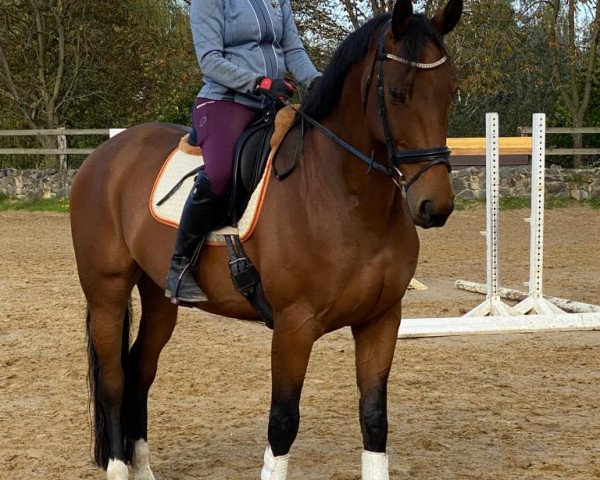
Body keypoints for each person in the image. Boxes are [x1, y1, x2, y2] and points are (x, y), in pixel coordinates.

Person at [165, 0, 322, 305]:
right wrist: (258, 82)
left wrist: (316, 80)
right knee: (221, 174)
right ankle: (179, 265)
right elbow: (210, 60)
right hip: (224, 100)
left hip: (270, 102)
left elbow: (294, 51)